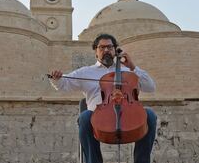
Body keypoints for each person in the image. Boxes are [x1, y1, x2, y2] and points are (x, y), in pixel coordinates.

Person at [49, 33, 157, 163]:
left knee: (150, 115)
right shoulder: (85, 72)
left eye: (110, 47)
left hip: (126, 115)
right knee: (84, 117)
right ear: (96, 51)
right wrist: (57, 78)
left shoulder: (127, 71)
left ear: (115, 50)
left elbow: (150, 87)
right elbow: (63, 85)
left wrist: (133, 66)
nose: (106, 50)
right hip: (99, 119)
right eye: (102, 47)